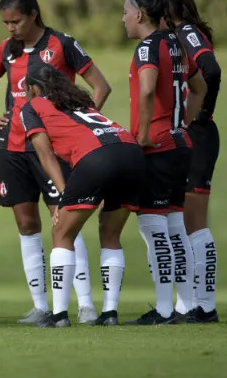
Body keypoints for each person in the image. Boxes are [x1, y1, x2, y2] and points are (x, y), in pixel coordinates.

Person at [0, 0, 112, 325]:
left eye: (16, 21)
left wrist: (79, 122)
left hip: (53, 148)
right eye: (5, 22)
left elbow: (101, 85)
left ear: (33, 14)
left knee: (64, 223)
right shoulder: (6, 50)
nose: (11, 28)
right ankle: (41, 306)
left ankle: (85, 306)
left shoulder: (62, 44)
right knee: (26, 224)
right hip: (13, 149)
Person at [20, 65, 144, 327]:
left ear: (33, 88)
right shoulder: (80, 100)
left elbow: (46, 155)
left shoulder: (33, 107)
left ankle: (59, 315)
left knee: (61, 235)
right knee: (110, 235)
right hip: (131, 152)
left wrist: (64, 195)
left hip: (97, 157)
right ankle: (110, 314)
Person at [122, 0, 207, 325]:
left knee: (153, 227)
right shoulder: (175, 42)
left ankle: (162, 309)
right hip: (179, 141)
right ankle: (187, 306)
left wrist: (142, 135)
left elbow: (146, 87)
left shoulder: (148, 47)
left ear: (140, 14)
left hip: (156, 145)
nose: (124, 19)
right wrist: (183, 122)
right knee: (175, 227)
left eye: (126, 12)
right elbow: (198, 87)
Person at [151, 0, 221, 323]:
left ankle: (203, 306)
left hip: (196, 134)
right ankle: (188, 305)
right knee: (180, 220)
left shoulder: (186, 32)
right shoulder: (171, 37)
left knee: (194, 224)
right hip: (187, 135)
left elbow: (211, 69)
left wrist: (197, 114)